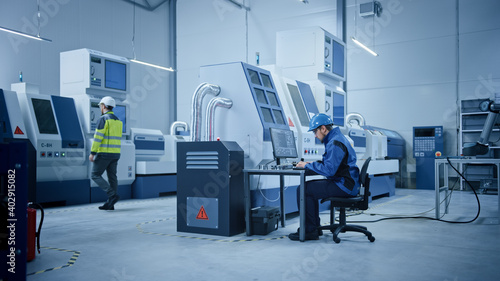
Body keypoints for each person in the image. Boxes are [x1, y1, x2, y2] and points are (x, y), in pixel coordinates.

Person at [288, 113, 360, 241]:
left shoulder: (335, 142)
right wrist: (310, 164)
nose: (315, 135)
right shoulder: (336, 138)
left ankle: (310, 230)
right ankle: (313, 228)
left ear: (323, 128)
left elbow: (329, 170)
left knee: (304, 190)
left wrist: (307, 166)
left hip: (344, 185)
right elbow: (331, 164)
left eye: (315, 132)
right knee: (309, 189)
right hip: (347, 183)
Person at [89, 96, 123, 211]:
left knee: (95, 175)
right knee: (112, 177)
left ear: (103, 106)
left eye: (100, 106)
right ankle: (110, 204)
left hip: (104, 153)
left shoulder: (103, 119)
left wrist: (93, 152)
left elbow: (98, 138)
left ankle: (112, 195)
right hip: (115, 154)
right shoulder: (118, 121)